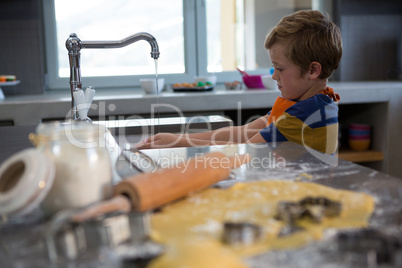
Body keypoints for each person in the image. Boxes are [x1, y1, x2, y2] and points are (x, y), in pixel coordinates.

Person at [136, 10, 342, 154]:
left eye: (280, 68)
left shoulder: (305, 115)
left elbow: (246, 148)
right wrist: (179, 139)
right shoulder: (302, 104)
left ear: (313, 70)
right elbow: (243, 132)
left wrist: (179, 142)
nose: (273, 76)